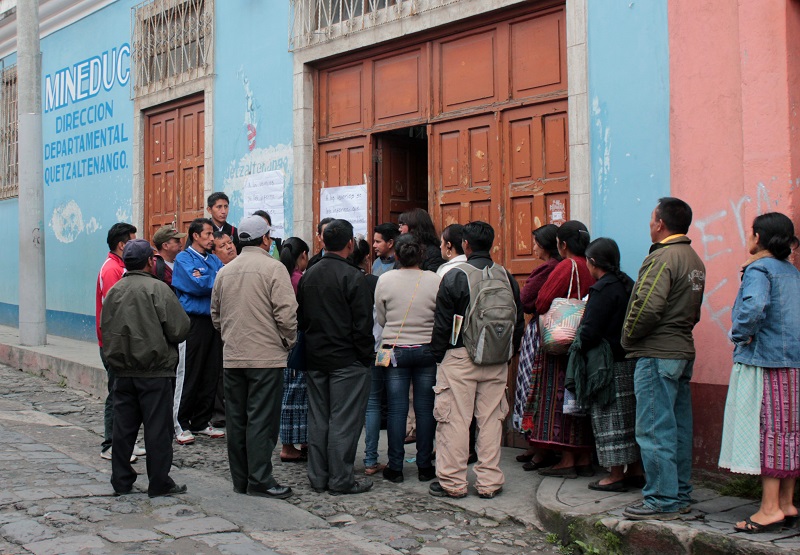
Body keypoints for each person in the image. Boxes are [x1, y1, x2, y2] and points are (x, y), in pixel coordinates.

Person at [621, 197, 705, 521]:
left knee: (655, 429)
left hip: (658, 353)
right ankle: (679, 493)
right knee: (678, 427)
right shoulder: (694, 258)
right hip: (681, 350)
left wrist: (628, 337)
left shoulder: (664, 257)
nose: (650, 223)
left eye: (651, 218)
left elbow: (647, 306)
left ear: (660, 223)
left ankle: (659, 499)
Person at [429, 221, 524, 499]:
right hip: (496, 359)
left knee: (455, 420)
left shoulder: (455, 276)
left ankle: (453, 482)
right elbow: (518, 321)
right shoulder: (507, 276)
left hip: (460, 356)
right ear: (491, 244)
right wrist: (508, 353)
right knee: (492, 420)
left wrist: (439, 355)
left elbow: (443, 323)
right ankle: (490, 482)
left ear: (465, 245)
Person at [718, 212, 800, 533]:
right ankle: (787, 504)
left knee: (771, 432)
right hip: (793, 363)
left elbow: (752, 309)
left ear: (758, 237)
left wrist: (740, 334)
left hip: (766, 362)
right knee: (790, 433)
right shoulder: (792, 272)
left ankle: (768, 509)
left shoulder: (759, 269)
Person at [211, 216, 297, 499]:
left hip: (234, 357)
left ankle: (242, 479)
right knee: (261, 419)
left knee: (237, 420)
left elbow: (216, 316)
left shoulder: (225, 271)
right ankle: (260, 478)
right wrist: (287, 341)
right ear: (265, 239)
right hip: (265, 358)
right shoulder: (274, 268)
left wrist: (230, 338)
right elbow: (286, 314)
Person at [102, 239, 190, 498]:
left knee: (123, 428)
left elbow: (105, 327)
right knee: (157, 429)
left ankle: (121, 480)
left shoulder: (116, 290)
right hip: (154, 371)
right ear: (150, 261)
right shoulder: (158, 289)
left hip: (123, 371)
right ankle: (159, 481)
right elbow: (180, 328)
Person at [297, 219, 375, 495]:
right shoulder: (353, 277)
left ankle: (318, 476)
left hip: (317, 357)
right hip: (346, 359)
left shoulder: (310, 274)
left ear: (323, 241)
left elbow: (302, 318)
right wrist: (366, 358)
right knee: (343, 420)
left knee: (319, 418)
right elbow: (362, 325)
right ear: (350, 244)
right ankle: (341, 479)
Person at [572, 238, 642, 491]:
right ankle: (635, 470)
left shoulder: (602, 290)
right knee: (630, 419)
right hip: (629, 360)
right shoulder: (627, 285)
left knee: (609, 418)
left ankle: (615, 474)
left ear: (592, 262)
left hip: (607, 366)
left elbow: (590, 331)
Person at [527, 221, 595, 478]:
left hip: (562, 340)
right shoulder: (591, 265)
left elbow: (543, 300)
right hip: (585, 339)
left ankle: (567, 458)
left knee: (560, 396)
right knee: (580, 398)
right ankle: (585, 458)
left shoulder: (568, 266)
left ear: (562, 244)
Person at [375, 234, 442, 483]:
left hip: (395, 349)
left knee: (396, 410)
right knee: (425, 409)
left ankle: (396, 467)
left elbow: (381, 318)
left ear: (397, 256)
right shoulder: (434, 279)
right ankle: (425, 466)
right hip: (426, 348)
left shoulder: (385, 279)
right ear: (421, 255)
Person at [171, 218, 226, 445]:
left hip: (212, 321)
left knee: (210, 372)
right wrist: (208, 280)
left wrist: (205, 278)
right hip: (192, 322)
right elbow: (196, 286)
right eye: (208, 233)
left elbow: (222, 282)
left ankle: (202, 421)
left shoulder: (213, 260)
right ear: (195, 235)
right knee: (189, 373)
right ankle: (180, 422)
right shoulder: (183, 259)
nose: (212, 238)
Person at [96, 222, 143, 463]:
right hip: (114, 344)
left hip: (122, 343)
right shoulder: (111, 269)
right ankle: (110, 444)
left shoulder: (120, 267)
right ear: (122, 244)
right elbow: (117, 309)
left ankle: (125, 442)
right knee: (116, 394)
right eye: (132, 242)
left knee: (125, 394)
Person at [516, 224, 562, 469]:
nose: (533, 247)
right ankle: (535, 445)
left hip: (544, 330)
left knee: (534, 388)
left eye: (535, 243)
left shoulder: (548, 269)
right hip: (546, 329)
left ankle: (541, 449)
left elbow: (527, 300)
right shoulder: (551, 268)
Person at [278, 237, 310, 463]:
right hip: (297, 339)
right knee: (298, 394)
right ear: (303, 255)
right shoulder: (299, 280)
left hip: (279, 342)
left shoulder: (280, 277)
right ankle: (291, 446)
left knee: (288, 393)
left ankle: (292, 442)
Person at [398, 208, 445, 273]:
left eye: (402, 225)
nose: (399, 229)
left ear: (413, 226)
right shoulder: (401, 248)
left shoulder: (433, 253)